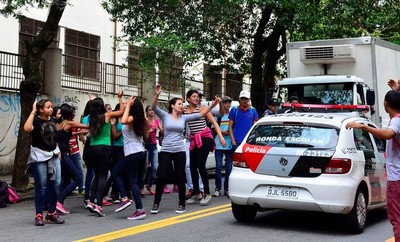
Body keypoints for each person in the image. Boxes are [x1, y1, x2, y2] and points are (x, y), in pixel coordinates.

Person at [150, 84, 221, 214]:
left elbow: (202, 114)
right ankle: (156, 204)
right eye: (179, 104)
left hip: (179, 151)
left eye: (182, 104)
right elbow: (153, 107)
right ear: (172, 106)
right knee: (162, 177)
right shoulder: (165, 116)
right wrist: (157, 94)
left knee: (180, 176)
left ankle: (182, 204)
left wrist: (213, 105)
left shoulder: (184, 117)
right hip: (166, 150)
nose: (181, 106)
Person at [346, 90, 400, 241]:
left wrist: (364, 127)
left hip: (396, 178)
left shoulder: (396, 121)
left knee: (397, 218)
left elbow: (389, 134)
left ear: (385, 104)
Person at [24, 99, 64, 226]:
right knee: (41, 187)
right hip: (39, 156)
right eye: (48, 107)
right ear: (41, 109)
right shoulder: (36, 120)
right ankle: (39, 215)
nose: (51, 109)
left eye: (51, 107)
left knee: (57, 184)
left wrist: (58, 151)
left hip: (53, 155)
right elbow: (27, 128)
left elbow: (54, 137)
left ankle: (51, 213)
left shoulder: (53, 121)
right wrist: (33, 111)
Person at [85, 91, 124, 217]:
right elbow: (121, 112)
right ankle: (99, 205)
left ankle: (91, 201)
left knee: (96, 175)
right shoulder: (107, 116)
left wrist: (92, 100)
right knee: (103, 176)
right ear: (102, 106)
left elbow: (93, 106)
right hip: (105, 148)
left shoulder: (90, 118)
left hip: (92, 148)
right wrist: (120, 98)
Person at [185, 89, 226, 206]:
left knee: (200, 165)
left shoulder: (202, 108)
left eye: (197, 97)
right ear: (188, 99)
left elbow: (215, 122)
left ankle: (207, 193)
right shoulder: (184, 111)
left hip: (205, 138)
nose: (197, 98)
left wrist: (220, 137)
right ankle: (197, 192)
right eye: (194, 96)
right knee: (192, 166)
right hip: (194, 139)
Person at [111, 96, 148, 220]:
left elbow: (122, 121)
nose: (127, 103)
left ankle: (138, 208)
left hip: (133, 153)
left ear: (132, 106)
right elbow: (122, 115)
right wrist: (120, 99)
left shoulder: (133, 118)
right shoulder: (138, 118)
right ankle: (125, 198)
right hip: (136, 152)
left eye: (129, 102)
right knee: (116, 173)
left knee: (130, 180)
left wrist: (127, 105)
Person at [55, 104, 88, 214]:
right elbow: (86, 126)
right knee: (78, 178)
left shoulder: (58, 123)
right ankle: (59, 202)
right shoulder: (68, 123)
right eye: (73, 112)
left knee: (65, 181)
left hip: (61, 154)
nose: (74, 114)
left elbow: (62, 137)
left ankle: (57, 203)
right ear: (69, 113)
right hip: (64, 155)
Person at [228, 90, 258, 174]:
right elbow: (230, 126)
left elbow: (255, 127)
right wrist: (233, 141)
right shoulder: (234, 110)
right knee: (235, 166)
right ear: (239, 99)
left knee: (249, 165)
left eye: (246, 99)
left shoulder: (253, 110)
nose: (244, 100)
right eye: (242, 98)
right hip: (236, 142)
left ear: (249, 99)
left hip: (248, 143)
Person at [212, 96, 233, 197]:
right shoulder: (218, 115)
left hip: (229, 144)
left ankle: (227, 188)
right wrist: (222, 132)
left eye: (229, 102)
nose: (227, 104)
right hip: (218, 144)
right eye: (225, 102)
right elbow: (214, 128)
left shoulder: (232, 115)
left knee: (229, 168)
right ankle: (217, 188)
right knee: (219, 167)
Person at [144, 105, 163, 195]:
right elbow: (143, 135)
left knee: (155, 167)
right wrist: (149, 130)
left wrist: (162, 128)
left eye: (152, 110)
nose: (152, 111)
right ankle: (140, 187)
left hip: (154, 146)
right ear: (147, 112)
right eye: (150, 110)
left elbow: (162, 131)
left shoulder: (156, 121)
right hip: (145, 146)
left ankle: (150, 185)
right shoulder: (144, 121)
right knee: (144, 168)